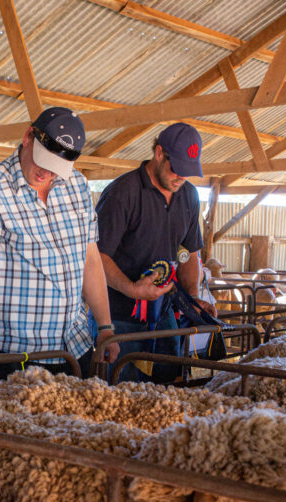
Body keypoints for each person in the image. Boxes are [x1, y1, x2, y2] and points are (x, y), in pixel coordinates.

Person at [0, 106, 119, 382]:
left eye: (56, 168)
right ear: (28, 137)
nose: (47, 173)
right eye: (42, 161)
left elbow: (89, 259)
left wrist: (105, 327)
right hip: (18, 356)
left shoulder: (77, 185)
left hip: (74, 348)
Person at [93, 122, 216, 383]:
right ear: (159, 153)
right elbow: (96, 256)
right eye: (176, 168)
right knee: (122, 392)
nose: (180, 177)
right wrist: (130, 288)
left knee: (170, 384)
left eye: (187, 172)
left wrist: (192, 299)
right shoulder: (122, 193)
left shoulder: (189, 196)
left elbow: (189, 252)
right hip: (119, 315)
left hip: (164, 311)